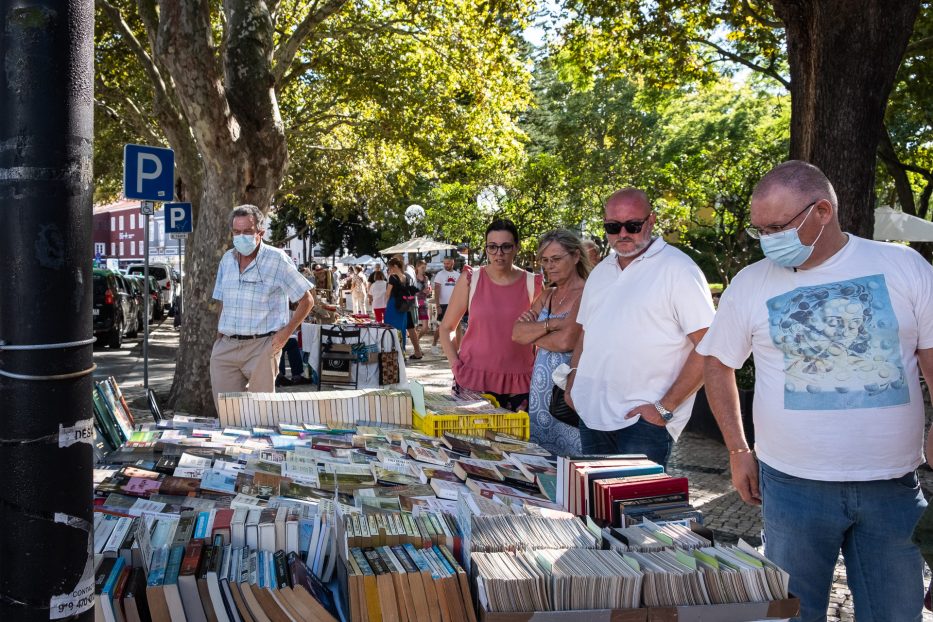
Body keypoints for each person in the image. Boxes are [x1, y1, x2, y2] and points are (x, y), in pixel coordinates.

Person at [697, 160, 933, 622]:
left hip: (893, 486)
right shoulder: (751, 283)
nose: (767, 241)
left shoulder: (903, 265)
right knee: (793, 614)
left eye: (778, 227)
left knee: (895, 614)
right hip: (791, 488)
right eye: (759, 230)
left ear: (822, 210)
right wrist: (737, 449)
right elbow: (717, 363)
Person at [566, 188, 714, 467]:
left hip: (643, 424)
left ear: (651, 221)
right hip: (592, 415)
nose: (622, 233)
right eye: (613, 226)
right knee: (597, 509)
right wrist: (574, 380)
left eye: (632, 225)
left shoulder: (679, 270)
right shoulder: (601, 271)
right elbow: (586, 333)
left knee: (635, 508)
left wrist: (663, 408)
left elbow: (709, 346)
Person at [210, 204, 314, 410]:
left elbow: (307, 300)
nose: (241, 236)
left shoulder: (277, 259)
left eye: (247, 232)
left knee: (261, 415)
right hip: (226, 347)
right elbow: (223, 301)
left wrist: (284, 336)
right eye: (236, 232)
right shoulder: (226, 260)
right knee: (227, 414)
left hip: (262, 346)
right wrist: (218, 339)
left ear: (260, 232)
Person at [439, 219, 543, 411]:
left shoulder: (533, 284)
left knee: (516, 440)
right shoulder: (471, 279)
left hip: (520, 384)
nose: (499, 253)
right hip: (473, 381)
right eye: (492, 247)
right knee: (469, 440)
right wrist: (456, 365)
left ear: (517, 248)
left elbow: (539, 335)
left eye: (506, 247)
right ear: (486, 248)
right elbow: (446, 328)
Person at [512, 230, 590, 456]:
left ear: (575, 256)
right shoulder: (548, 294)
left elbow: (567, 341)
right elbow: (517, 334)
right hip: (540, 391)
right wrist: (553, 324)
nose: (549, 266)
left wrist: (535, 333)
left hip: (568, 389)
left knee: (574, 460)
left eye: (556, 259)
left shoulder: (587, 292)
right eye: (545, 261)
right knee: (543, 458)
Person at [384, 257, 422, 357]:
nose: (390, 269)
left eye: (390, 267)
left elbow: (388, 293)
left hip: (393, 304)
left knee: (390, 328)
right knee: (402, 329)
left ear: (395, 266)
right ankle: (402, 352)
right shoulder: (405, 277)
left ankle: (392, 351)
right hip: (403, 305)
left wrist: (385, 305)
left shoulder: (392, 277)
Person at [431, 256, 460, 355]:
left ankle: (457, 348)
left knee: (457, 327)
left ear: (453, 263)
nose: (446, 265)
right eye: (445, 263)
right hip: (443, 304)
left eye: (448, 263)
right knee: (442, 327)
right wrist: (438, 305)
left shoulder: (458, 275)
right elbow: (437, 290)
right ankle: (434, 344)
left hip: (455, 304)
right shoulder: (440, 274)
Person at [414, 260, 432, 337]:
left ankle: (417, 340)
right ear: (417, 267)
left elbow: (428, 289)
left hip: (423, 302)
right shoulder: (413, 277)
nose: (424, 269)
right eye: (422, 267)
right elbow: (411, 291)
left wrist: (428, 291)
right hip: (414, 302)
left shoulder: (426, 278)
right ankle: (416, 344)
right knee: (415, 326)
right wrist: (421, 291)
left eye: (425, 268)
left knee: (425, 327)